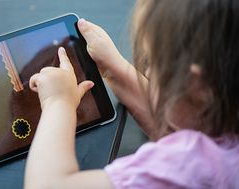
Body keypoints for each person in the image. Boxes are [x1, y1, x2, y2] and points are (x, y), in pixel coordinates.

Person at [24, 0, 239, 188]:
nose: (147, 72)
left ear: (196, 85)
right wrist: (113, 69)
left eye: (153, 63)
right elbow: (189, 129)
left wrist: (57, 101)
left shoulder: (190, 168)